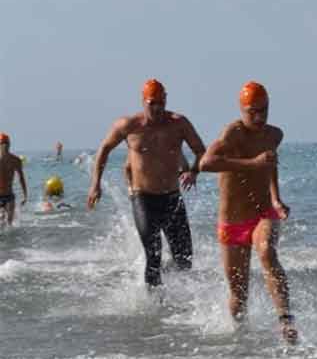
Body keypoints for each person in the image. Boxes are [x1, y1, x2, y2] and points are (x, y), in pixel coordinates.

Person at [199, 81, 296, 343]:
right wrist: (251, 163)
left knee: (266, 250)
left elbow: (270, 162)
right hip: (232, 221)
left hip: (263, 212)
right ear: (242, 110)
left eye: (264, 110)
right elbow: (205, 163)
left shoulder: (274, 135)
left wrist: (276, 199)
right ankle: (240, 340)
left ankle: (286, 321)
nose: (260, 117)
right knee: (238, 296)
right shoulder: (233, 133)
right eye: (253, 111)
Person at [87, 79, 206, 288]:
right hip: (143, 198)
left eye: (161, 102)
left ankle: (166, 279)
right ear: (143, 102)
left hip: (171, 197)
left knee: (184, 260)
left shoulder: (179, 124)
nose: (158, 108)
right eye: (152, 103)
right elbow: (104, 149)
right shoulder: (129, 125)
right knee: (153, 256)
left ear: (166, 100)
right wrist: (95, 184)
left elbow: (201, 151)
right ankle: (155, 306)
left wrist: (194, 172)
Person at [0, 133, 28, 226]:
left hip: (9, 195)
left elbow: (21, 178)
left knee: (9, 222)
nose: (5, 145)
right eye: (2, 143)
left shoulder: (15, 160)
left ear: (9, 144)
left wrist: (25, 195)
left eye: (6, 143)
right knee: (1, 218)